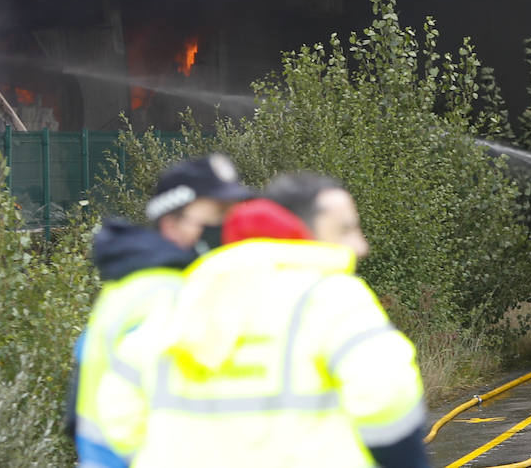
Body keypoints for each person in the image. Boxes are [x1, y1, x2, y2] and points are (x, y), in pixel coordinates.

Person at [107, 172, 430, 468]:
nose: (361, 246)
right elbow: (386, 398)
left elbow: (116, 416)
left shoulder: (180, 297)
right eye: (345, 229)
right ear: (300, 229)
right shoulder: (332, 297)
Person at [65, 153, 251, 468]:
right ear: (170, 221)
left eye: (232, 213)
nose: (225, 226)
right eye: (216, 213)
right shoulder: (170, 295)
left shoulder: (136, 283)